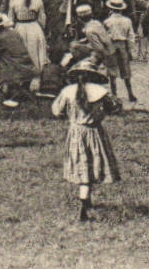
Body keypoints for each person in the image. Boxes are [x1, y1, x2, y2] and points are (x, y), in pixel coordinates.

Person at [51, 55, 121, 222]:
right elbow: (115, 107)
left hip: (75, 132)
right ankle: (85, 203)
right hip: (94, 132)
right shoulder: (101, 93)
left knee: (82, 164)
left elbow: (56, 110)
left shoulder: (67, 92)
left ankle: (85, 201)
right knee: (92, 163)